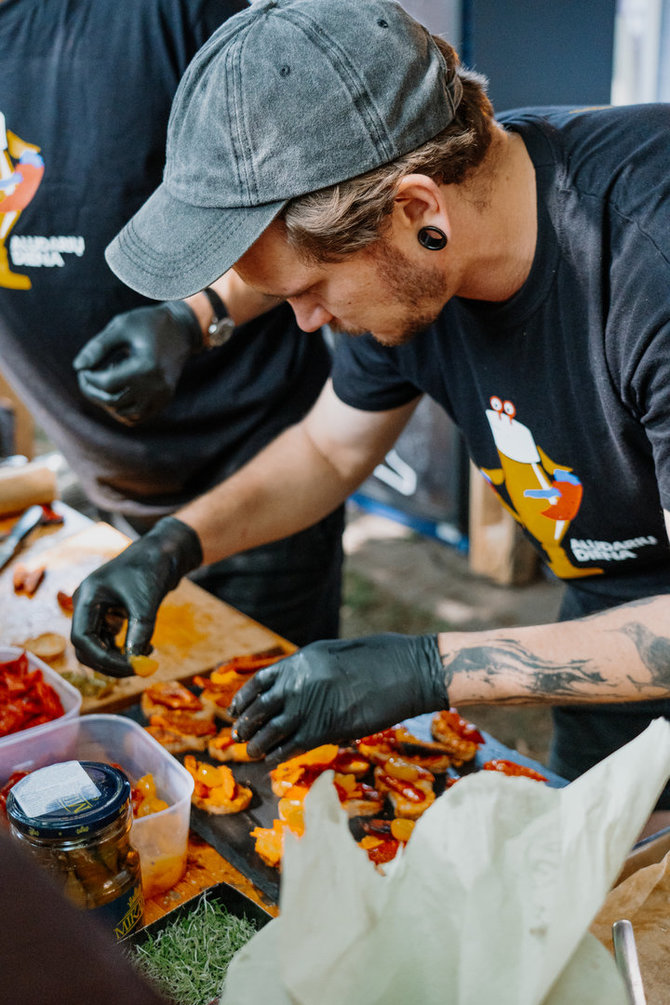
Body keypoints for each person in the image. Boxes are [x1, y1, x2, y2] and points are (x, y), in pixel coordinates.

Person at [71, 0, 670, 828]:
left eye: (311, 291)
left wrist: (431, 668)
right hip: (608, 636)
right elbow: (327, 450)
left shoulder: (649, 261)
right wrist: (172, 545)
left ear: (417, 209)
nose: (307, 321)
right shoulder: (419, 250)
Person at [0, 0, 344, 649]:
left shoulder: (167, 12)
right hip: (97, 492)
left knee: (258, 737)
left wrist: (194, 318)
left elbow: (315, 204)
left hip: (257, 478)